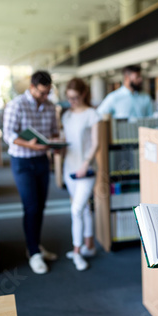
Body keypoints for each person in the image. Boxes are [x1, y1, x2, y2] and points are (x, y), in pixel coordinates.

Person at [3, 70, 59, 275]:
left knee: (40, 206)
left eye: (48, 93)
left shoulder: (51, 106)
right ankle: (34, 252)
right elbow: (8, 134)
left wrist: (56, 143)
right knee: (31, 206)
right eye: (42, 93)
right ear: (32, 88)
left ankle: (35, 245)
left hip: (41, 160)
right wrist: (29, 144)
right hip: (22, 161)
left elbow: (53, 131)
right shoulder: (16, 105)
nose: (45, 97)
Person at [61, 78, 101, 271]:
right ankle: (90, 246)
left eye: (75, 97)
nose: (72, 101)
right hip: (69, 167)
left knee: (76, 210)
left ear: (84, 94)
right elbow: (67, 140)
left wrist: (86, 163)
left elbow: (96, 143)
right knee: (84, 209)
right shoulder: (66, 115)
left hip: (86, 170)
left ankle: (76, 252)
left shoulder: (92, 114)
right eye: (69, 98)